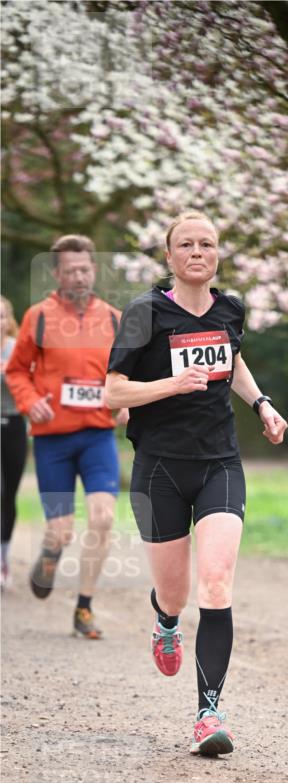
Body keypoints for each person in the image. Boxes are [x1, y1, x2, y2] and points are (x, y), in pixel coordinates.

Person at [105, 210, 288, 757]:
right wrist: (169, 384)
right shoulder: (144, 313)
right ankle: (164, 620)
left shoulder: (230, 308)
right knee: (176, 593)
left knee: (215, 584)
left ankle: (208, 714)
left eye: (206, 243)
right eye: (185, 244)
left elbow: (231, 361)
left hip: (219, 464)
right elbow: (113, 393)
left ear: (217, 254)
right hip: (159, 466)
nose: (196, 252)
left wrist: (261, 403)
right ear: (169, 257)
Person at [5, 234, 129, 637]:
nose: (78, 275)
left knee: (103, 517)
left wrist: (125, 401)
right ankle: (50, 554)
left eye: (85, 268)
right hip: (53, 441)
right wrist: (28, 401)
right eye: (70, 270)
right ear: (57, 273)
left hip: (96, 438)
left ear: (93, 270)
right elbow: (17, 370)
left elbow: (126, 373)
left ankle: (84, 608)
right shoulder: (38, 317)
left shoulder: (113, 318)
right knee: (61, 531)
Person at [1, 296, 28, 589]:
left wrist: (10, 371)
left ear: (9, 320)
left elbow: (31, 383)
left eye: (1, 316)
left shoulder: (18, 350)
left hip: (15, 425)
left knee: (9, 495)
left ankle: (4, 556)